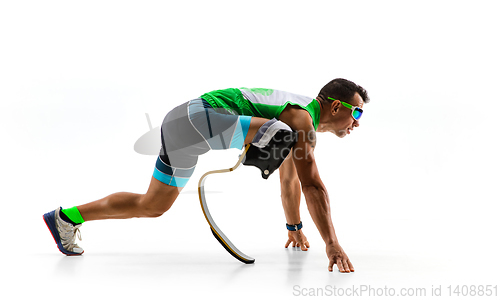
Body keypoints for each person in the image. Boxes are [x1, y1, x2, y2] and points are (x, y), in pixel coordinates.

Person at [43, 78, 369, 273]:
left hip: (183, 127)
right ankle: (248, 154)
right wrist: (333, 243)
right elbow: (312, 183)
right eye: (356, 112)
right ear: (336, 107)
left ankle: (66, 217)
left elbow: (291, 182)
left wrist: (294, 227)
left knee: (152, 204)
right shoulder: (300, 118)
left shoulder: (299, 124)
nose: (357, 122)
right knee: (283, 135)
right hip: (197, 118)